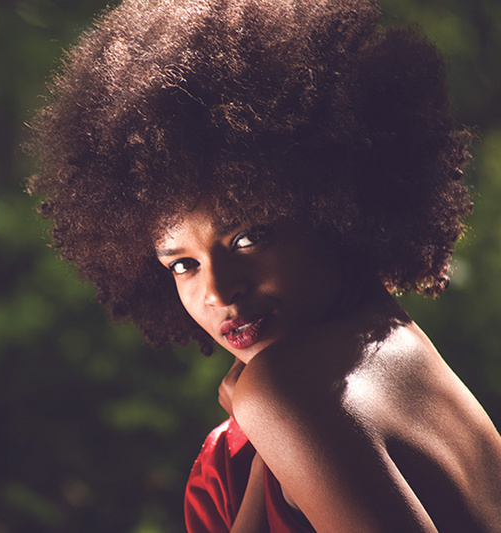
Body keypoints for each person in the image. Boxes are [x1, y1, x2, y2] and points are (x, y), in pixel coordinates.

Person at [27, 0, 501, 531]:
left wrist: (263, 407)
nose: (220, 291)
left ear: (332, 204)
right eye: (182, 265)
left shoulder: (288, 394)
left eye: (248, 237)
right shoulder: (409, 359)